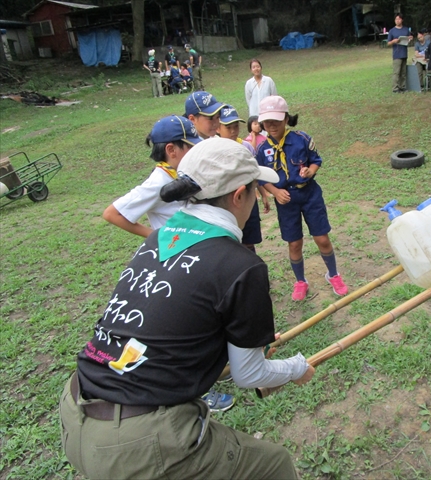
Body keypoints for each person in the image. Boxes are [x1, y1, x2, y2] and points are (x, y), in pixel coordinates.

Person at [59, 137, 315, 480]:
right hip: (136, 442)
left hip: (76, 415)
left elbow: (176, 327)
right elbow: (249, 375)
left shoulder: (159, 238)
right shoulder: (241, 265)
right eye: (256, 190)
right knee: (273, 465)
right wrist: (298, 367)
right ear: (240, 195)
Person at [255, 96, 349, 301]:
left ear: (286, 119)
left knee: (322, 238)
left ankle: (333, 274)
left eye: (276, 120)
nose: (271, 125)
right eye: (267, 121)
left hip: (309, 194)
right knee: (294, 244)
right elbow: (261, 177)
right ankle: (300, 280)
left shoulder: (302, 139)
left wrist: (310, 172)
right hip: (285, 201)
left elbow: (316, 161)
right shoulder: (262, 150)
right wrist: (275, 192)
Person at [103, 115, 200, 237]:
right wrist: (157, 237)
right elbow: (112, 214)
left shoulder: (182, 172)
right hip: (177, 249)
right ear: (171, 150)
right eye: (191, 147)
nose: (196, 151)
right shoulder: (158, 182)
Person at [217, 105, 271, 252]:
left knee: (249, 241)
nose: (233, 131)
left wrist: (263, 194)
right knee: (231, 242)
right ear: (217, 128)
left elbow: (255, 173)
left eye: (236, 126)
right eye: (228, 127)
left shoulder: (246, 146)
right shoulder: (214, 148)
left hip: (248, 198)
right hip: (227, 201)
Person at [387, 14, 412, 93]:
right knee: (396, 72)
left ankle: (403, 86)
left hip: (404, 52)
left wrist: (410, 38)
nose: (397, 21)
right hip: (397, 53)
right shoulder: (392, 31)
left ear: (402, 20)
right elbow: (388, 43)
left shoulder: (406, 29)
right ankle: (395, 88)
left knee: (403, 72)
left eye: (399, 19)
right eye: (396, 19)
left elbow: (409, 38)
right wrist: (394, 41)